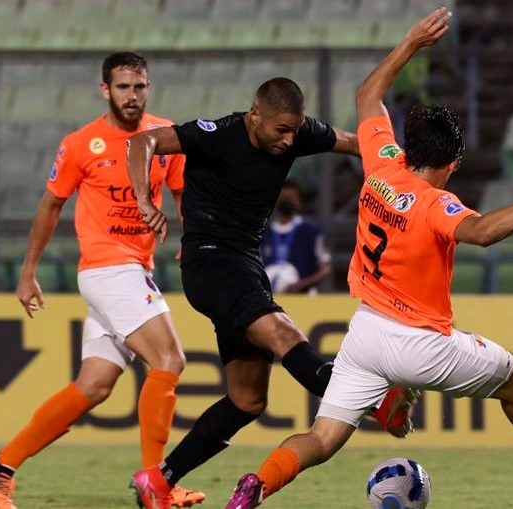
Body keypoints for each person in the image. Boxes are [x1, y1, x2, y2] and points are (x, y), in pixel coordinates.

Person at [223, 9, 513, 509]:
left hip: (365, 334)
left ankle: (255, 486)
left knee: (321, 438)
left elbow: (367, 95)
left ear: (408, 147)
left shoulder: (381, 165)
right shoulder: (438, 205)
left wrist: (412, 41)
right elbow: (482, 233)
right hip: (420, 343)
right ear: (452, 163)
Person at [126, 77, 420, 509]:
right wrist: (144, 200)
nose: (288, 140)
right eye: (280, 130)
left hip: (245, 267)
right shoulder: (218, 134)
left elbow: (354, 143)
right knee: (283, 335)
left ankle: (160, 479)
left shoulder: (296, 134)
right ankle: (376, 402)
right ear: (255, 115)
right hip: (210, 263)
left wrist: (408, 167)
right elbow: (143, 142)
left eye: (294, 130)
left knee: (247, 400)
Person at [0, 52, 204, 509]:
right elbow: (50, 206)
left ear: (148, 88)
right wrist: (28, 273)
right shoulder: (82, 144)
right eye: (123, 88)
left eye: (139, 87)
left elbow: (184, 192)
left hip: (134, 269)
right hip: (106, 269)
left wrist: (191, 235)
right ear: (105, 90)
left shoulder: (164, 137)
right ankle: (155, 486)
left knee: (94, 386)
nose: (132, 96)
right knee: (169, 360)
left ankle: (1, 465)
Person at [261, 179, 332, 294]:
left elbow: (326, 268)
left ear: (298, 201)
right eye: (283, 199)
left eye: (290, 199)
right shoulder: (265, 232)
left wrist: (303, 283)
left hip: (304, 297)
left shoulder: (311, 231)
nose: (286, 203)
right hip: (272, 298)